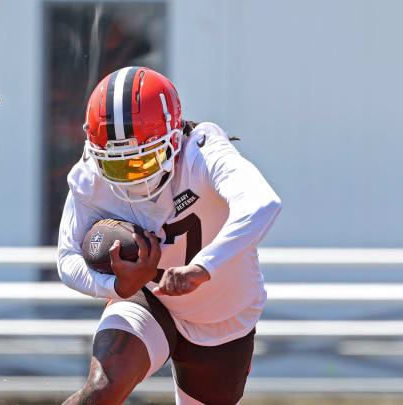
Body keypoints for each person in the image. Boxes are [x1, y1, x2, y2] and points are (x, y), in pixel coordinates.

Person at [57, 66, 281, 404]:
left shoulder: (203, 152)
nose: (132, 180)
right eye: (118, 166)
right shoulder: (90, 175)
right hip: (147, 297)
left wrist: (203, 267)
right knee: (101, 391)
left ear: (174, 140)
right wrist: (117, 286)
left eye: (143, 163)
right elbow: (67, 258)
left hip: (221, 315)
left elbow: (263, 203)